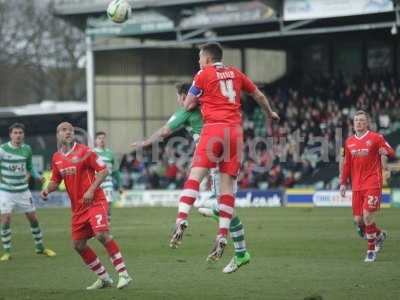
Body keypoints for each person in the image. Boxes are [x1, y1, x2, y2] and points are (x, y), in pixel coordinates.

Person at [169, 42, 279, 262]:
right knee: (227, 188)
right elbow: (258, 96)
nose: (199, 61)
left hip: (213, 129)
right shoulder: (236, 74)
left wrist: (201, 96)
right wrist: (270, 113)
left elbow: (188, 104)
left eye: (200, 57)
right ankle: (222, 235)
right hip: (235, 133)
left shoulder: (202, 74)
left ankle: (181, 218)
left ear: (208, 59)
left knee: (195, 176)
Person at [132, 82, 251, 273]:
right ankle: (240, 252)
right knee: (227, 206)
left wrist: (146, 143)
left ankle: (184, 219)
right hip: (232, 147)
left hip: (210, 158)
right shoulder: (211, 104)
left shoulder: (185, 111)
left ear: (184, 96)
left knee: (210, 194)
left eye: (179, 97)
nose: (179, 101)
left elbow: (164, 132)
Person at [41, 122, 132, 289]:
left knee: (101, 235)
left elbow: (104, 171)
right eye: (63, 130)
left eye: (70, 130)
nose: (68, 132)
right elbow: (55, 179)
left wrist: (90, 190)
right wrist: (47, 190)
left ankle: (123, 274)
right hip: (78, 208)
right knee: (78, 245)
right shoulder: (56, 157)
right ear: (58, 135)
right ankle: (104, 278)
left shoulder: (85, 151)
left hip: (95, 201)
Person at [340, 110, 394, 262]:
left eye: (362, 120)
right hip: (357, 185)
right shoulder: (349, 142)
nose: (358, 123)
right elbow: (346, 164)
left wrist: (386, 151)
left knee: (367, 216)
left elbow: (391, 150)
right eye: (356, 120)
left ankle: (371, 250)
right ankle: (379, 235)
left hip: (372, 183)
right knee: (358, 220)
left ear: (367, 123)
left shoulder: (376, 138)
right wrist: (343, 183)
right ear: (353, 123)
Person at [0, 123, 56, 261]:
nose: (18, 135)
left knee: (33, 218)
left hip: (23, 191)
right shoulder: (3, 150)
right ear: (10, 135)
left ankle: (40, 248)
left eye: (20, 133)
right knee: (5, 219)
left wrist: (38, 176)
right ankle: (7, 252)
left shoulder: (27, 149)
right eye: (15, 133)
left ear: (23, 135)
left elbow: (30, 167)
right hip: (6, 192)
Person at [94, 131, 122, 222]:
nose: (102, 140)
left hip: (107, 182)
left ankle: (106, 230)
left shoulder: (110, 153)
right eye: (99, 138)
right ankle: (96, 229)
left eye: (103, 138)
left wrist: (120, 185)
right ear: (96, 140)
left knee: (108, 204)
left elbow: (115, 171)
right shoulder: (92, 153)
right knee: (96, 207)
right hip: (95, 184)